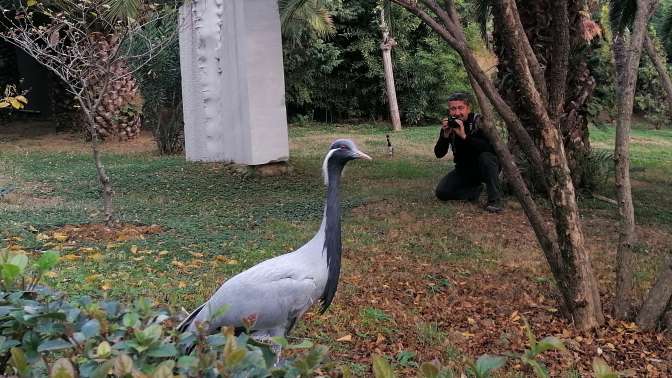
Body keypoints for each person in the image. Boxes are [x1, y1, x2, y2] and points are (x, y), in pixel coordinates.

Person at [434, 92, 503, 213]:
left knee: (486, 157)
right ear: (449, 110)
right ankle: (473, 192)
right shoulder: (450, 125)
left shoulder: (478, 122)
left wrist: (464, 136)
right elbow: (439, 154)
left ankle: (494, 200)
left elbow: (490, 149)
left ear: (468, 108)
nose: (457, 113)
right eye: (453, 109)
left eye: (461, 108)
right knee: (441, 192)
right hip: (464, 169)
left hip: (484, 167)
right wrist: (445, 136)